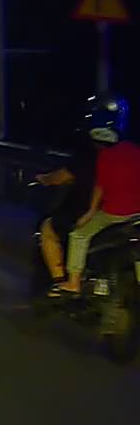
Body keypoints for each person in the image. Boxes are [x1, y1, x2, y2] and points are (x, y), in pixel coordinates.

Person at [51, 94, 140, 297]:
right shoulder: (135, 151)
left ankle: (73, 282)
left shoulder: (104, 156)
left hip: (114, 213)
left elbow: (100, 187)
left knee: (78, 235)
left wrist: (89, 213)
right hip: (137, 213)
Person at [36, 125, 99, 283]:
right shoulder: (122, 156)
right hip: (123, 212)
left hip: (89, 211)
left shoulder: (87, 158)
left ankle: (59, 281)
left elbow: (60, 177)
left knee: (48, 229)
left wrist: (44, 179)